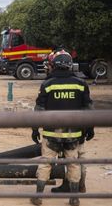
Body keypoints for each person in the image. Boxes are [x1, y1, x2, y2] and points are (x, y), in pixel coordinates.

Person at [30, 49, 93, 206]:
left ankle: (38, 197)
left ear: (54, 65)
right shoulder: (81, 84)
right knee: (73, 164)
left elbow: (39, 110)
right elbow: (88, 109)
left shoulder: (47, 84)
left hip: (52, 134)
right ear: (70, 65)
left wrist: (34, 129)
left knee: (45, 164)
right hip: (74, 134)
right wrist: (90, 128)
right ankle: (74, 198)